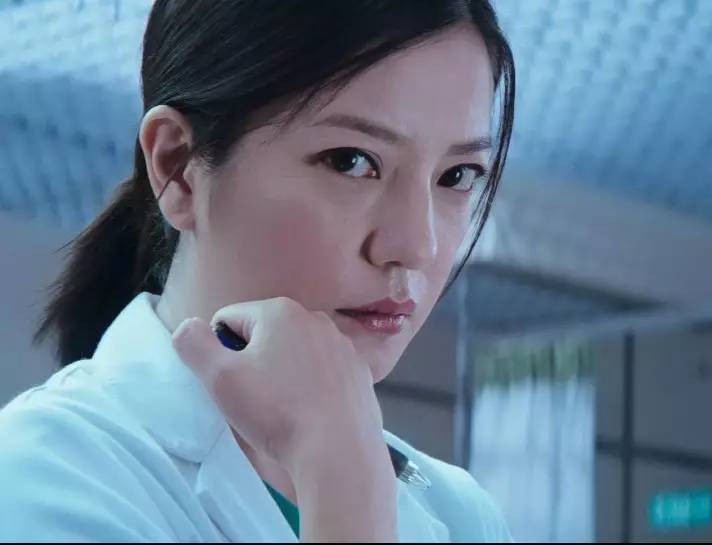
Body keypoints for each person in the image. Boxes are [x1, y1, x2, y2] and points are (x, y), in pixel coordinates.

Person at [0, 0, 517, 541]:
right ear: (178, 167)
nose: (416, 247)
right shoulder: (41, 475)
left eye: (458, 175)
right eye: (351, 161)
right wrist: (344, 492)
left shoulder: (463, 515)